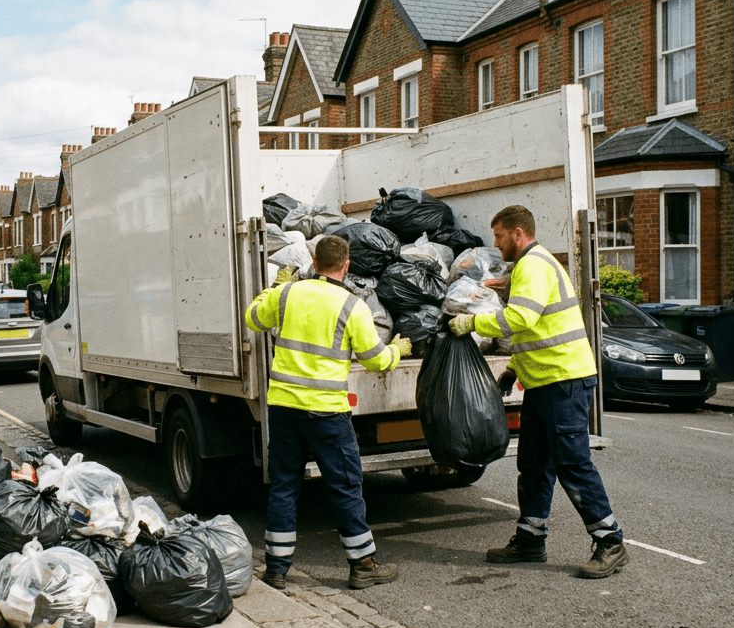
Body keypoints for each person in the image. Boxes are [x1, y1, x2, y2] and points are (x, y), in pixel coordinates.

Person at [449, 205, 627, 579]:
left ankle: (610, 541)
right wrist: (513, 370)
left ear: (517, 232)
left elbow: (520, 319)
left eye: (499, 236)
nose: (496, 245)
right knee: (533, 465)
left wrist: (471, 322)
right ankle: (530, 539)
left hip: (563, 382)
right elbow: (538, 329)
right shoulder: (529, 266)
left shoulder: (533, 264)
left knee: (573, 464)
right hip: (544, 382)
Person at [245, 235, 413, 590]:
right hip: (327, 414)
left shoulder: (288, 294)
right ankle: (362, 565)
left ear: (314, 262)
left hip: (285, 409)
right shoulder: (353, 306)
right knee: (345, 487)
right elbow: (377, 360)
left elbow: (253, 318)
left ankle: (276, 569)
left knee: (284, 487)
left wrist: (273, 287)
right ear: (346, 265)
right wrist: (397, 349)